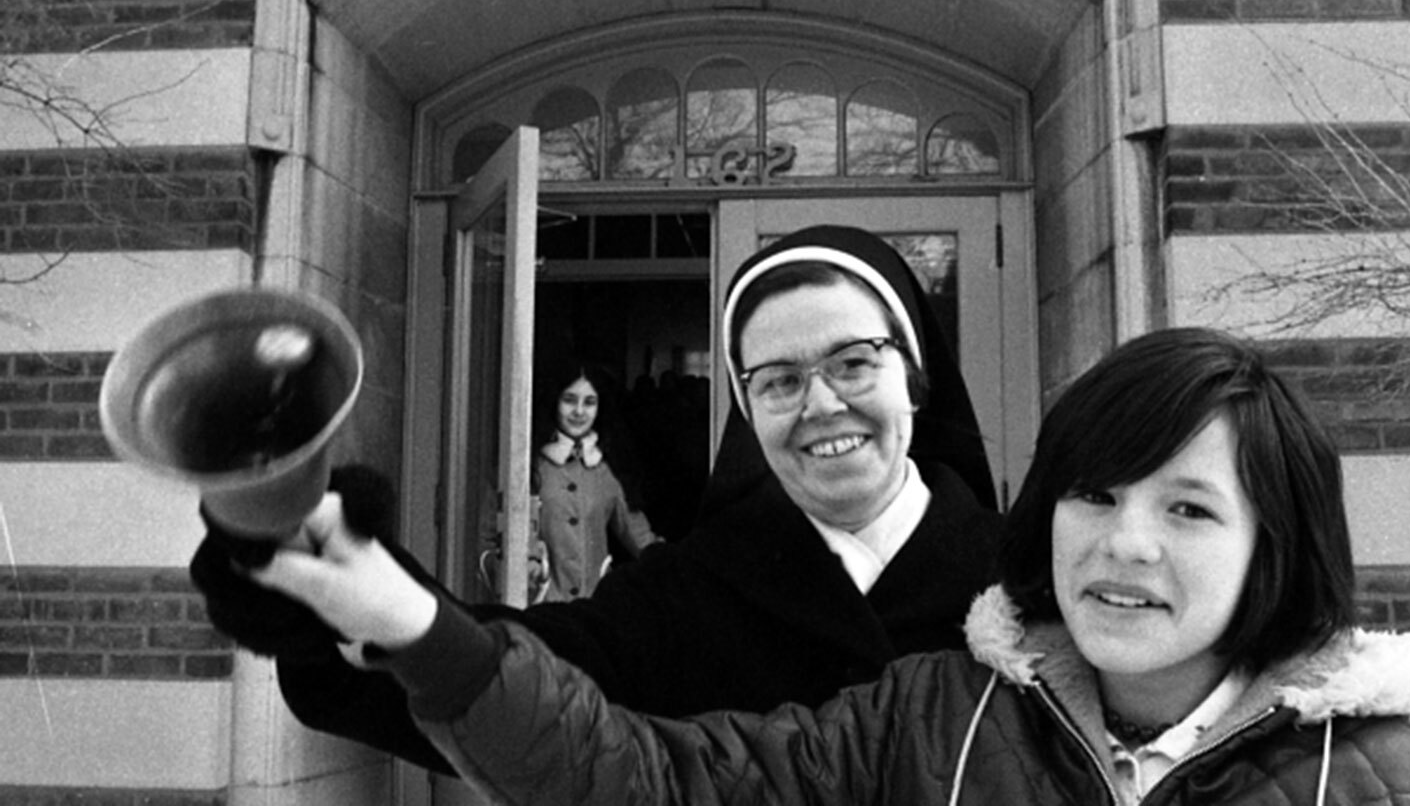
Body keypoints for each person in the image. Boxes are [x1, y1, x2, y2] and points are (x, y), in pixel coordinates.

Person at [249, 327, 1410, 806]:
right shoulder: (934, 718)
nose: (1124, 544)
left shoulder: (1390, 788)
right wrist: (403, 618)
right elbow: (634, 772)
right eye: (1094, 494)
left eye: (1192, 510)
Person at [190, 225, 1003, 771]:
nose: (822, 404)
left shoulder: (1028, 578)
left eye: (854, 362)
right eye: (780, 381)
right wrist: (316, 575)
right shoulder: (689, 594)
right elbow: (498, 676)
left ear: (916, 376)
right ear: (748, 411)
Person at [527, 362, 657, 602]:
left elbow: (641, 540)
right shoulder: (526, 465)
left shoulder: (609, 468)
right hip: (535, 609)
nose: (579, 411)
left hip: (592, 611)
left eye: (589, 402)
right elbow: (491, 541)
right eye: (569, 400)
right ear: (554, 401)